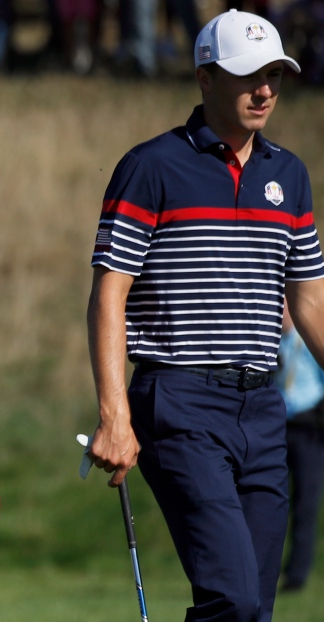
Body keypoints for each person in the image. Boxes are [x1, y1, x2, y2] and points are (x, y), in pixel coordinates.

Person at [86, 10, 324, 620]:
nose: (264, 89)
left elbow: (310, 301)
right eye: (249, 76)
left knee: (254, 610)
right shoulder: (152, 167)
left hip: (263, 408)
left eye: (273, 74)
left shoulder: (289, 176)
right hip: (179, 402)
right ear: (205, 78)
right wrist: (115, 415)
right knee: (235, 600)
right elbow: (109, 293)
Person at [275, 308, 324, 592]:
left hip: (308, 427)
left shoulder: (307, 341)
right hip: (277, 427)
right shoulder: (271, 343)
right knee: (271, 500)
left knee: (306, 502)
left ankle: (297, 575)